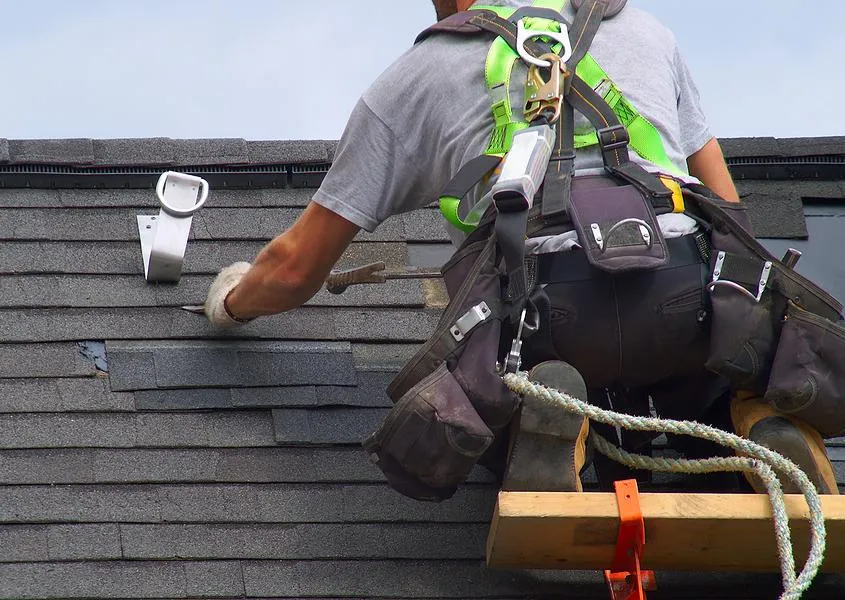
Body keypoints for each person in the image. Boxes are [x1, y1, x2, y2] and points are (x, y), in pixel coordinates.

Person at [202, 0, 839, 496]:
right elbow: (730, 217)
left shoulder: (416, 76)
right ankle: (754, 423)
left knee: (495, 383)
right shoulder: (646, 32)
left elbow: (293, 268)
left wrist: (231, 303)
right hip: (685, 300)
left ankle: (549, 428)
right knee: (720, 359)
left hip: (546, 317)